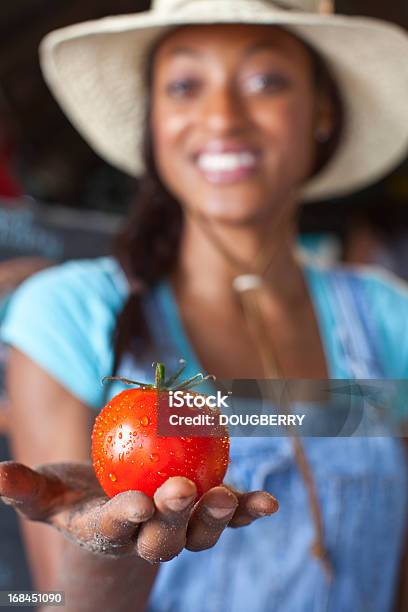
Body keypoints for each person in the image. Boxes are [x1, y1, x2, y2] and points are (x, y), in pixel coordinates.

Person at [0, 1, 407, 611]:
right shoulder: (69, 315)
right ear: (154, 121)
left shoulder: (388, 318)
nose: (221, 116)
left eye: (266, 80)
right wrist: (107, 552)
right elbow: (53, 601)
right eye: (185, 85)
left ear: (322, 111)